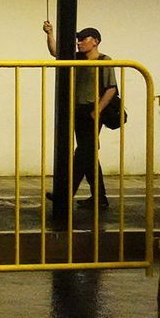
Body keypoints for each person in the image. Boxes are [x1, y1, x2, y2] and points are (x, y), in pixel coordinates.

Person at [44, 22, 117, 211]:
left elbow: (111, 89)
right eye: (78, 39)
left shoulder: (104, 60)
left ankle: (65, 194)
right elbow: (55, 52)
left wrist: (97, 111)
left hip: (93, 111)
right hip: (78, 110)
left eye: (83, 39)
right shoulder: (77, 58)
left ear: (96, 41)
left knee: (82, 154)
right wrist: (50, 33)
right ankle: (100, 198)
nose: (79, 43)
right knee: (89, 155)